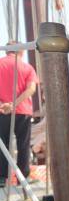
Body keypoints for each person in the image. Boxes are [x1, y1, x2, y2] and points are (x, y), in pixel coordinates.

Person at [0, 42, 39, 186]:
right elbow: (31, 89)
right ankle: (23, 178)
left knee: (2, 144)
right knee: (23, 145)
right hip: (23, 111)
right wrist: (14, 104)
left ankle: (2, 179)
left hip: (2, 111)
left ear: (6, 51)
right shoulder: (27, 67)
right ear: (21, 51)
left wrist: (4, 105)